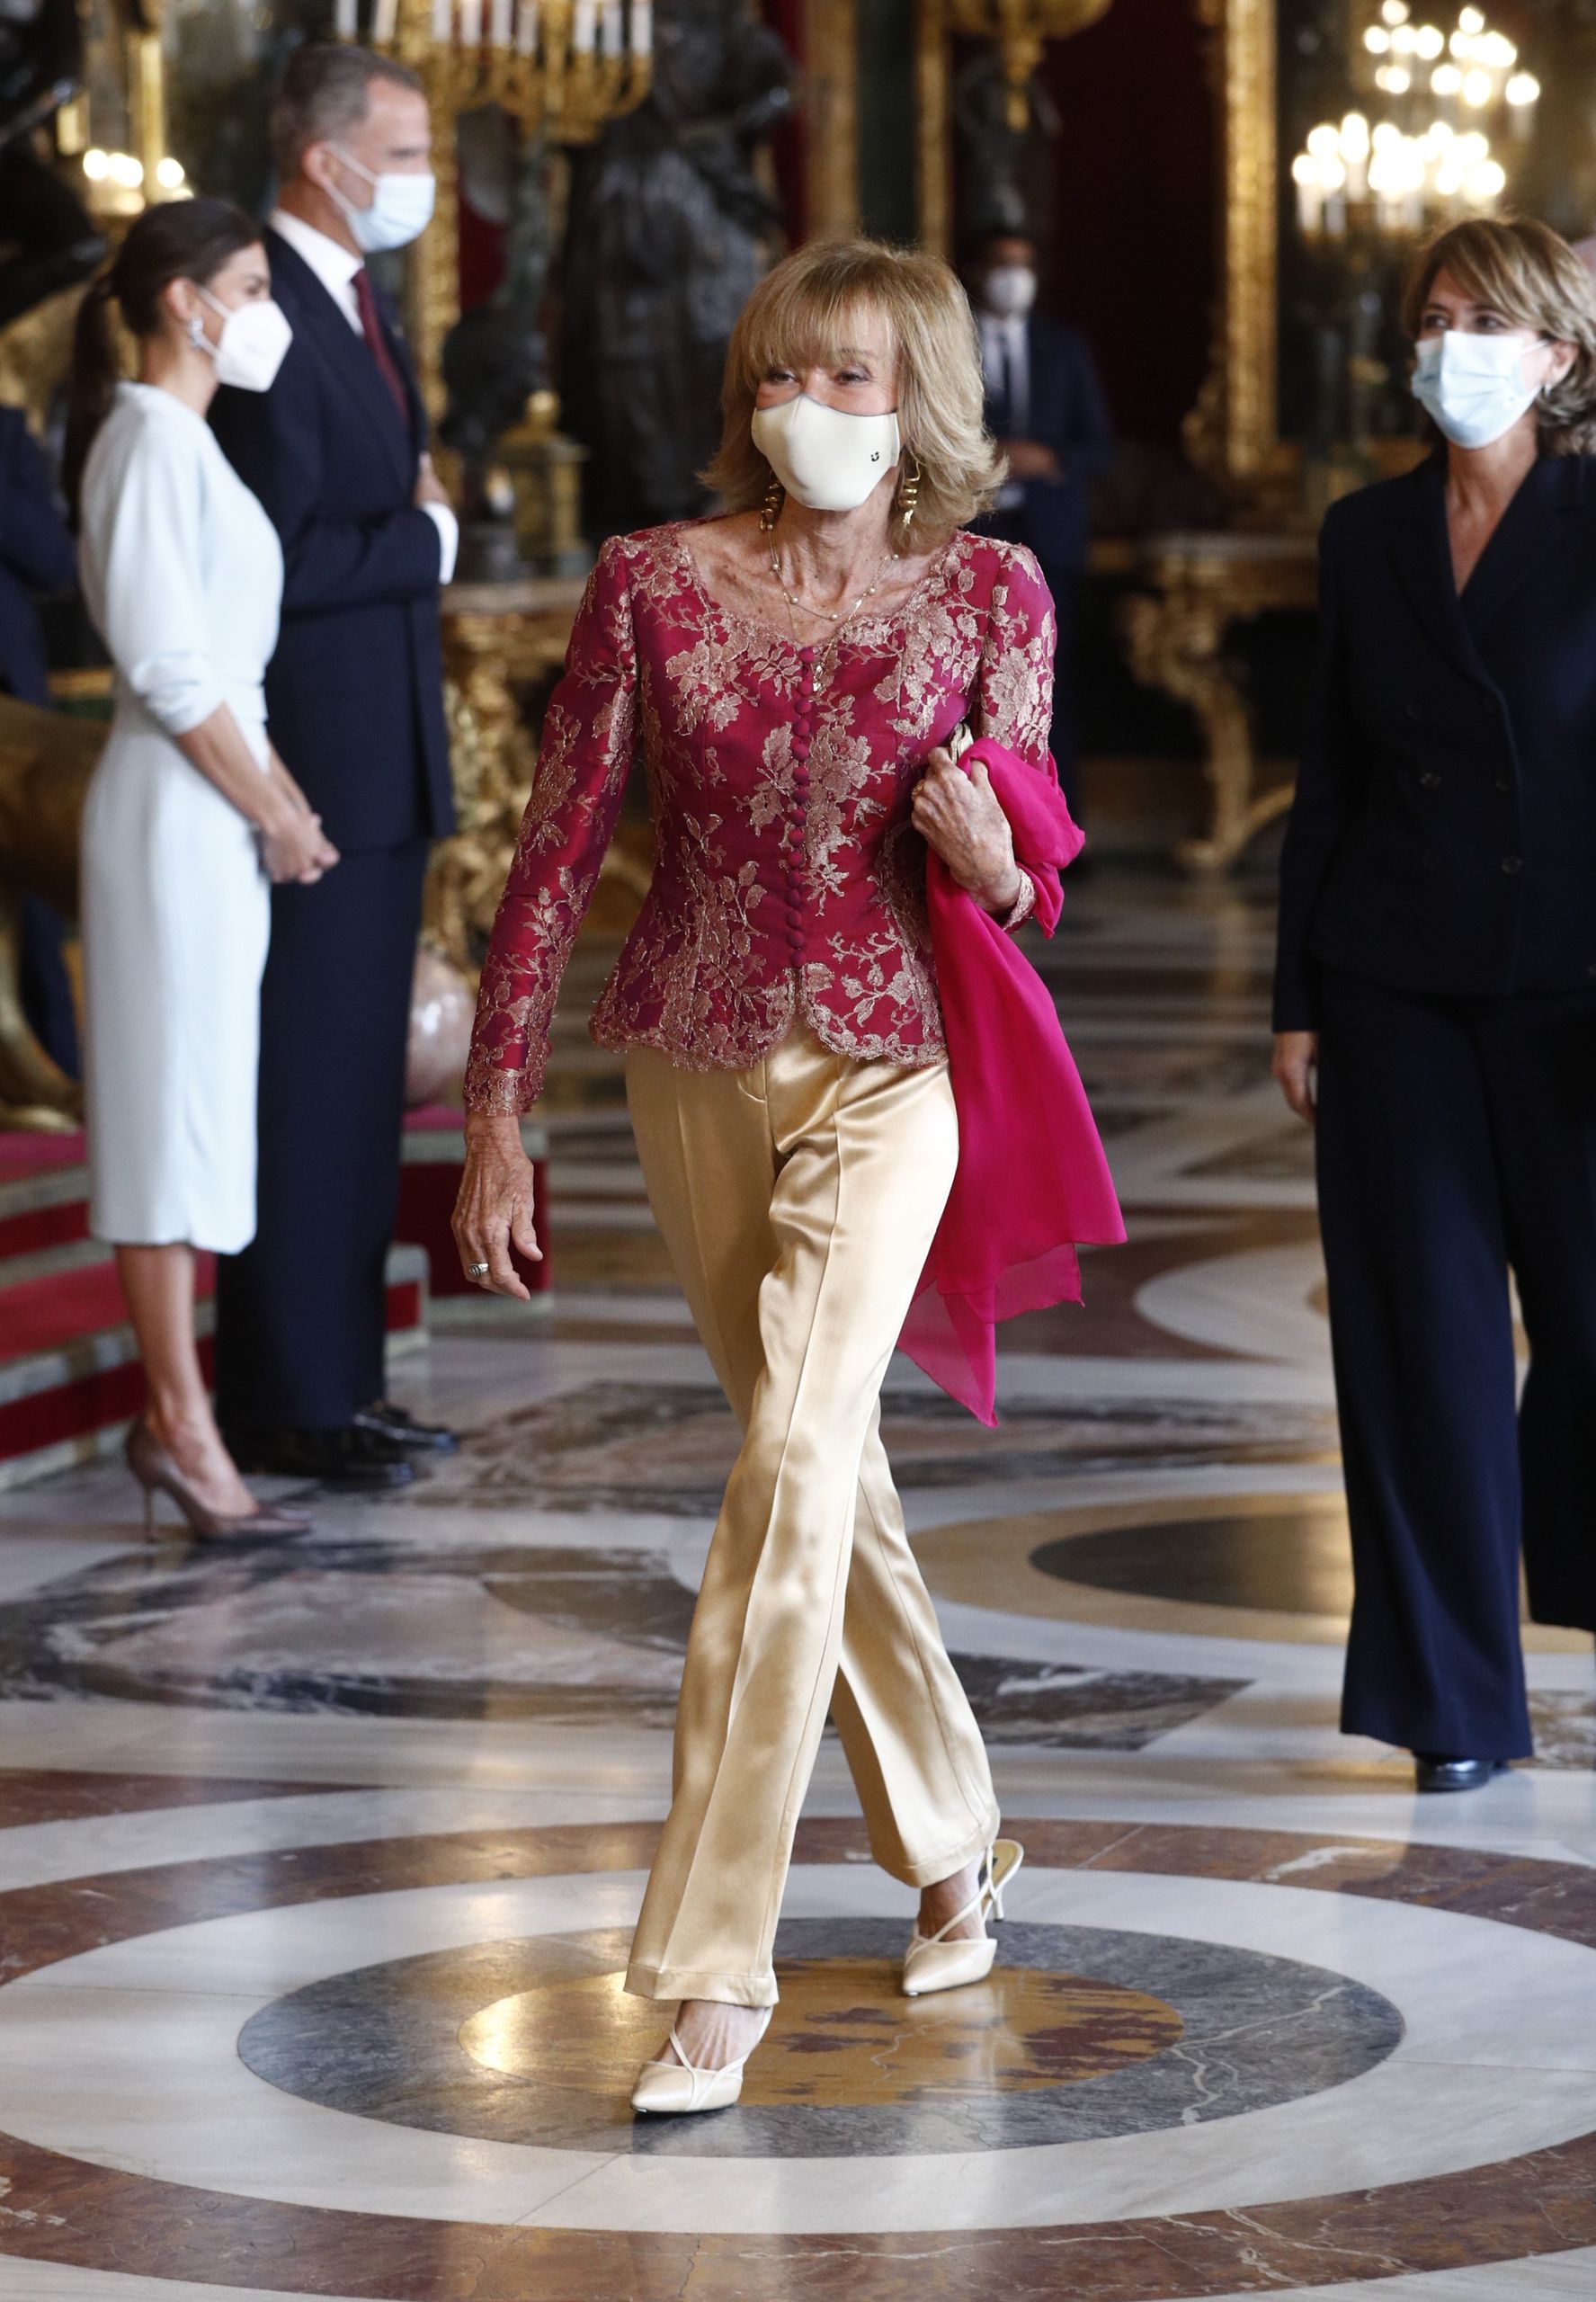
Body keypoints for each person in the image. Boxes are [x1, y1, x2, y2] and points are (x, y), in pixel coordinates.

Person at [453, 236, 1078, 2114]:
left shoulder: (994, 593)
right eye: (778, 373)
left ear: (919, 403)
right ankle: (956, 1837)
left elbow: (1025, 863)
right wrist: (496, 1109)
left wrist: (990, 860)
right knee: (815, 1467)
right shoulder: (651, 581)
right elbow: (559, 849)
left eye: (846, 376)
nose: (800, 406)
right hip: (688, 1055)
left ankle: (710, 1951)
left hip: (899, 1063)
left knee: (796, 1456)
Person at [1272, 215, 1596, 1793]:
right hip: (1393, 991)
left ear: (1557, 354)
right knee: (1422, 1352)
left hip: (1577, 996)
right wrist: (1296, 1001)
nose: (1446, 347)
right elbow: (1327, 780)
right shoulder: (1365, 533)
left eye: (1482, 322)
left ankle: (1568, 1572)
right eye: (1431, 318)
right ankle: (1452, 1706)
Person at [63, 198, 337, 1539]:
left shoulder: (189, 442)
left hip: (213, 803)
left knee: (203, 1109)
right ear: (186, 301)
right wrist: (269, 806)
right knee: (164, 1117)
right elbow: (170, 671)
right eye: (251, 287)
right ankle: (179, 1420)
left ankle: (179, 1412)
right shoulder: (142, 440)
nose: (266, 313)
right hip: (172, 813)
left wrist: (282, 801)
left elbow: (225, 672)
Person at [209, 43, 460, 1493]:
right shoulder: (264, 318)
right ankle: (288, 1398)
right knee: (305, 1087)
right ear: (324, 159)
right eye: (405, 151)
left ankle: (343, 1385)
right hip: (311, 769)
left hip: (382, 763)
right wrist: (424, 541)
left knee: (360, 1090)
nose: (423, 180)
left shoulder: (356, 300)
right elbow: (275, 562)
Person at [965, 228, 1113, 816]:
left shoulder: (1063, 346)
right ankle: (977, 823)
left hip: (1049, 537)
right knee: (970, 687)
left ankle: (1056, 826)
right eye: (1001, 263)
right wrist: (990, 456)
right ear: (978, 271)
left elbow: (1098, 446)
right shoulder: (953, 344)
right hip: (972, 529)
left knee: (1052, 684)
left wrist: (1047, 460)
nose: (1012, 277)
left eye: (1022, 265)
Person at [0, 400, 80, 1077]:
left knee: (32, 924)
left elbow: (55, 563)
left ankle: (55, 1079)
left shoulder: (6, 434)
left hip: (13, 723)